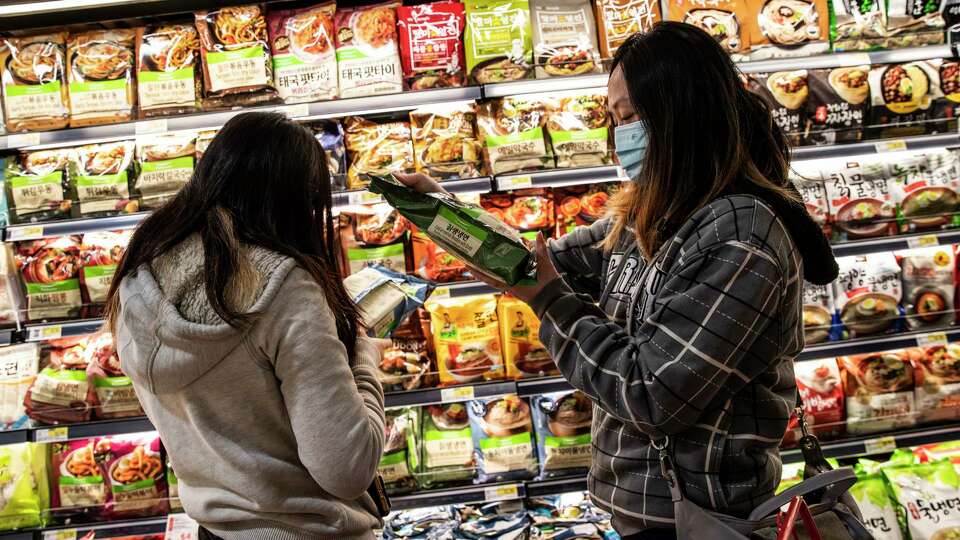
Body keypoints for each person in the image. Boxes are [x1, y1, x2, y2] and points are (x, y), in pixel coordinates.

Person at [398, 22, 839, 539]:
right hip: (649, 512)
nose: (620, 134)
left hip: (703, 519)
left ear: (682, 114)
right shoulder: (652, 211)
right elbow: (536, 261)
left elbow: (652, 394)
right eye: (615, 118)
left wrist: (550, 302)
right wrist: (445, 214)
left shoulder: (739, 235)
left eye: (631, 116)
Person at [105, 112, 386, 540]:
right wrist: (363, 360)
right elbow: (345, 469)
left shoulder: (142, 273)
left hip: (216, 531)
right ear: (297, 201)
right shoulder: (285, 287)